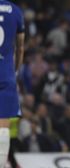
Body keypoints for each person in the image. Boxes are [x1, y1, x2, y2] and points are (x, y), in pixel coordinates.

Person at [0, 1, 25, 168]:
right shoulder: (15, 11)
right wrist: (14, 71)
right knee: (2, 128)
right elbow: (20, 47)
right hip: (5, 76)